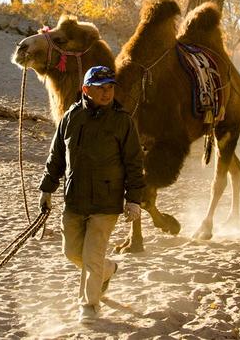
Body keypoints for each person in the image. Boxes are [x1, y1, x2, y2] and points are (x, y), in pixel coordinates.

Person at [38, 65, 145, 324]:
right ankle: (108, 270)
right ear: (86, 90)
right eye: (101, 88)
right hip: (74, 200)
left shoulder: (122, 121)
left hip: (106, 203)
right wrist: (46, 189)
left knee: (92, 256)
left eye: (110, 88)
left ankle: (89, 305)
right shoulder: (70, 118)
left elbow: (134, 162)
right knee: (72, 253)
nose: (107, 93)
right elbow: (56, 158)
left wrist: (133, 200)